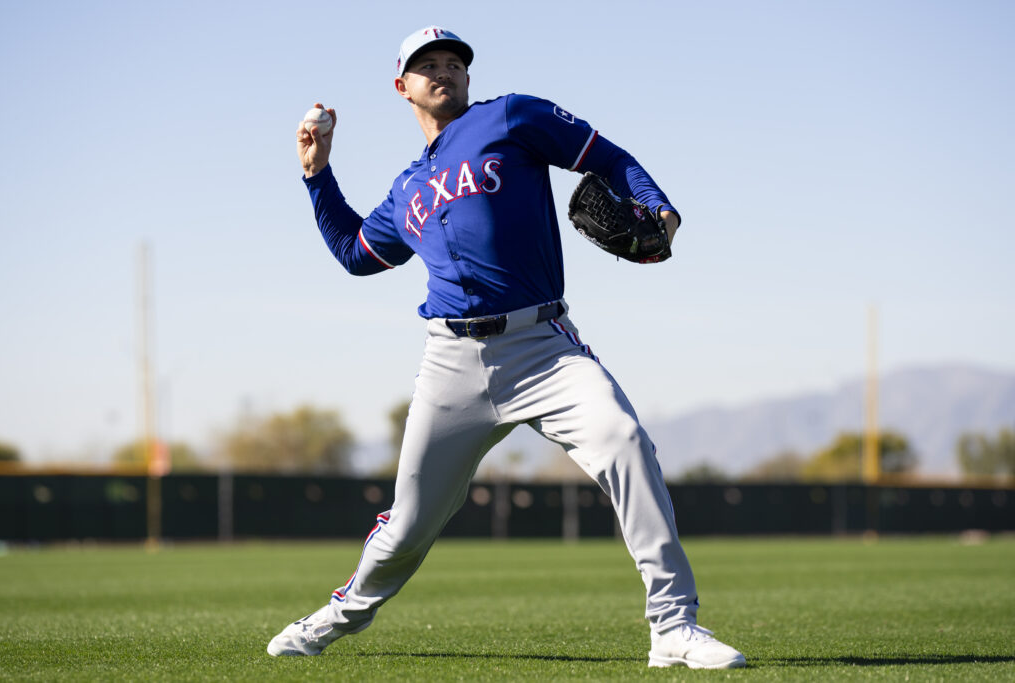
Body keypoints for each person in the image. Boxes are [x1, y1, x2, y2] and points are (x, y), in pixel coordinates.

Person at [267, 26, 745, 670]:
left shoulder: (511, 116)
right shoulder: (407, 190)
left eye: (454, 63)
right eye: (426, 65)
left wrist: (658, 208)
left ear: (468, 77)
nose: (444, 71)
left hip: (543, 346)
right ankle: (340, 613)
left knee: (626, 443)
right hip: (451, 365)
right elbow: (357, 255)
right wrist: (317, 175)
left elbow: (609, 157)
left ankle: (674, 625)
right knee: (407, 525)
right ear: (402, 87)